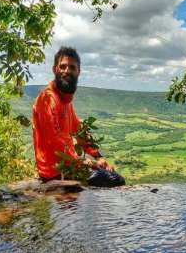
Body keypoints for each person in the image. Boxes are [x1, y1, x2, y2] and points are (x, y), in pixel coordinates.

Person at [32, 47, 125, 187]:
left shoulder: (64, 100)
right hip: (55, 173)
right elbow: (55, 142)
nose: (67, 71)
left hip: (69, 168)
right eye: (62, 66)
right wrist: (82, 161)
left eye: (72, 67)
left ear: (78, 72)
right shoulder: (48, 99)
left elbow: (79, 129)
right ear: (55, 70)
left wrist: (98, 156)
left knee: (111, 175)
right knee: (116, 180)